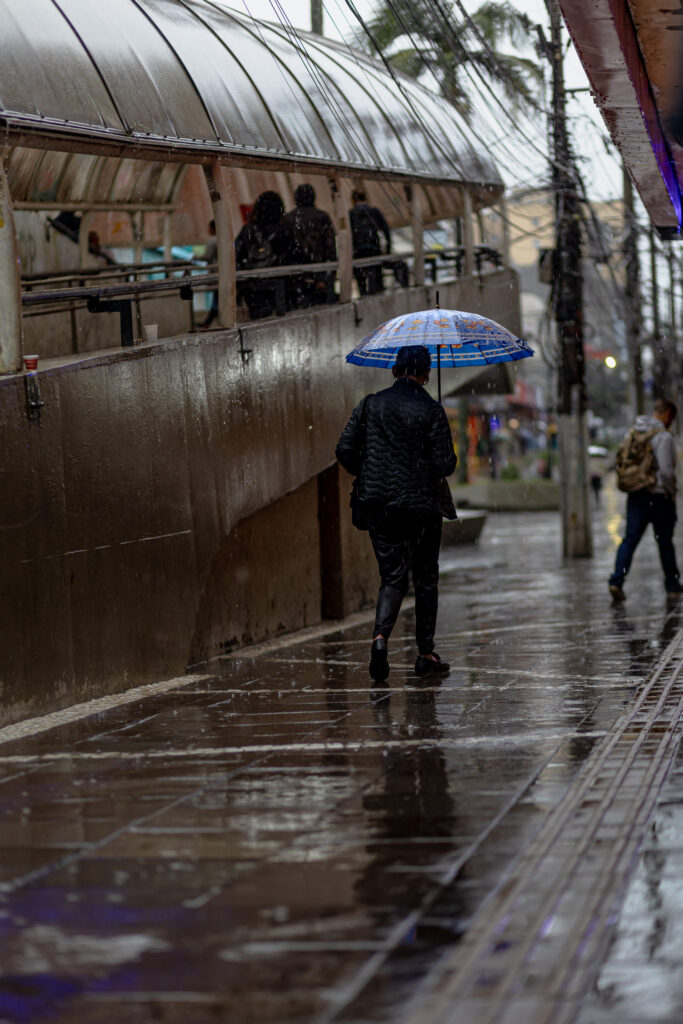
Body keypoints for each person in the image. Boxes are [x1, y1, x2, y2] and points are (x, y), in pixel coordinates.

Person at [335, 344, 457, 681]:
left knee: (392, 578)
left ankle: (379, 639)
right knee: (425, 579)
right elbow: (446, 464)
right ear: (426, 375)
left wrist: (370, 472)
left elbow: (344, 448)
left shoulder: (371, 404)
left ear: (394, 371)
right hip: (422, 508)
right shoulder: (432, 410)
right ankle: (425, 653)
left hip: (380, 506)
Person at [609, 398, 682, 601]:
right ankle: (672, 584)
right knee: (665, 542)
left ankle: (616, 581)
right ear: (667, 414)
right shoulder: (663, 437)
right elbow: (667, 472)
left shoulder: (634, 431)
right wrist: (672, 493)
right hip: (658, 497)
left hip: (636, 495)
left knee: (630, 540)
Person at [272, 184, 336, 309]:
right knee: (322, 309)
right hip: (320, 273)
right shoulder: (322, 217)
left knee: (300, 308)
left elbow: (280, 248)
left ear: (296, 198)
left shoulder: (287, 219)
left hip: (296, 275)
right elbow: (330, 246)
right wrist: (332, 271)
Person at [235, 191, 286, 320]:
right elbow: (290, 257)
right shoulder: (283, 229)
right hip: (277, 285)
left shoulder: (248, 230)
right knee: (281, 323)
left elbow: (235, 255)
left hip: (253, 286)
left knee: (258, 322)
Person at [349, 188, 391, 296]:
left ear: (353, 199)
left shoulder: (351, 214)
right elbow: (386, 230)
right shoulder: (374, 211)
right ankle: (376, 295)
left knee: (361, 280)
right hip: (374, 249)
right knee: (376, 278)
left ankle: (363, 295)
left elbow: (347, 235)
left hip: (359, 253)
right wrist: (388, 249)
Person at [200, 220, 219, 328]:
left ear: (213, 228)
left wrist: (195, 257)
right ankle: (208, 322)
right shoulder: (224, 239)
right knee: (218, 298)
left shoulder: (212, 240)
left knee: (217, 299)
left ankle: (207, 322)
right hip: (223, 273)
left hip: (217, 273)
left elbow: (207, 256)